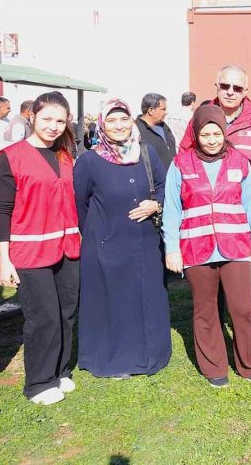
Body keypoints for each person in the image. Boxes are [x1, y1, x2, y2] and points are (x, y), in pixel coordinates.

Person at [179, 66, 251, 364]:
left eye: (237, 88)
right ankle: (217, 342)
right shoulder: (200, 118)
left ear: (246, 92)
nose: (230, 92)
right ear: (216, 85)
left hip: (245, 218)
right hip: (208, 218)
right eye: (225, 85)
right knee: (212, 284)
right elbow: (184, 159)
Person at [163, 104, 251, 388]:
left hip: (235, 247)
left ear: (224, 133)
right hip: (196, 248)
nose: (211, 140)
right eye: (205, 134)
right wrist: (172, 247)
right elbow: (171, 209)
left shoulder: (239, 162)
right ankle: (214, 367)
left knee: (242, 308)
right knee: (205, 310)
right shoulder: (181, 164)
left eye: (216, 133)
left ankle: (248, 364)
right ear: (196, 134)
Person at [73, 99, 170, 379]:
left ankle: (152, 356)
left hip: (147, 244)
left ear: (132, 121)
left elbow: (164, 187)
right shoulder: (90, 161)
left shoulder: (146, 153)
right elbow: (81, 204)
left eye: (124, 120)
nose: (119, 126)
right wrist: (99, 234)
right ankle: (116, 361)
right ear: (102, 124)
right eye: (112, 121)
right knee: (116, 303)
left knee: (147, 298)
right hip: (108, 244)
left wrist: (156, 204)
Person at [0, 92, 81, 405]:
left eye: (60, 121)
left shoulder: (66, 156)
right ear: (32, 116)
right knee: (43, 316)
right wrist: (3, 260)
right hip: (30, 252)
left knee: (66, 313)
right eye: (47, 119)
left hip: (67, 248)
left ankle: (60, 371)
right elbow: (1, 210)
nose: (54, 126)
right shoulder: (11, 156)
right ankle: (39, 382)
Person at [135, 93, 177, 170]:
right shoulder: (136, 130)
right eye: (163, 109)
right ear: (151, 110)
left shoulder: (164, 126)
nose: (166, 112)